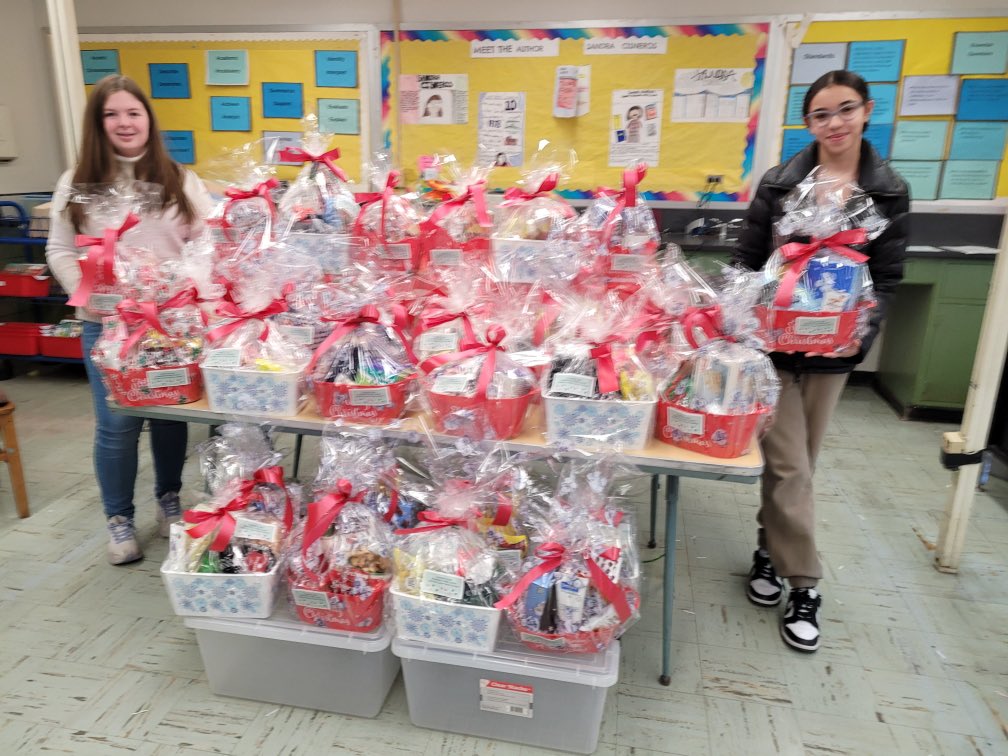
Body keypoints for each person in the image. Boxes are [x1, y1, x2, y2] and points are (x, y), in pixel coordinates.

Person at [732, 70, 909, 652]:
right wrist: (741, 324)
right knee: (789, 465)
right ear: (806, 123)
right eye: (821, 115)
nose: (834, 123)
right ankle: (805, 583)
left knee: (800, 462)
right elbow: (747, 261)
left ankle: (766, 552)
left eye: (845, 110)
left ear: (867, 110)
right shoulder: (782, 183)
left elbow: (886, 278)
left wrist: (858, 333)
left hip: (835, 350)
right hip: (775, 346)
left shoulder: (887, 190)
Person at [46, 75, 214, 565]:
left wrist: (188, 285)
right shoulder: (75, 183)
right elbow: (59, 249)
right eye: (112, 114)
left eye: (133, 113)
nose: (124, 123)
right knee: (116, 424)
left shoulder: (179, 178)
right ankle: (118, 518)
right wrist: (89, 291)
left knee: (169, 417)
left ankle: (168, 497)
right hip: (108, 326)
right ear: (98, 124)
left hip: (171, 329)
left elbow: (206, 242)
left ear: (149, 120)